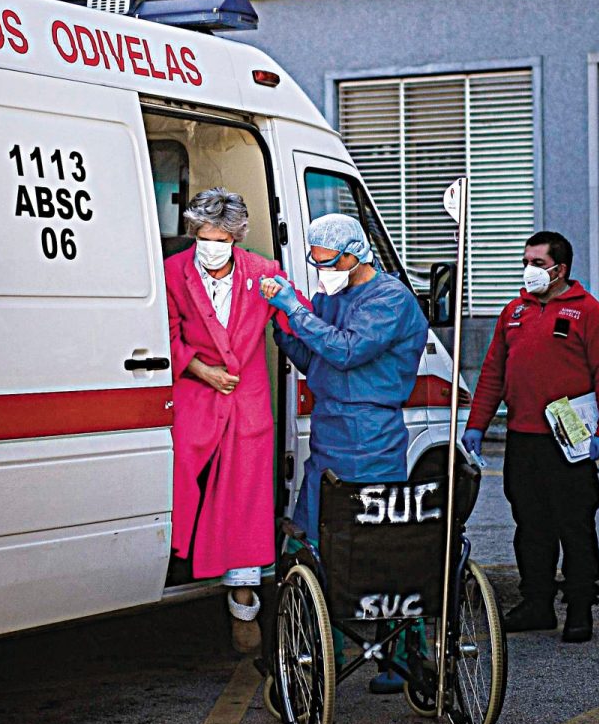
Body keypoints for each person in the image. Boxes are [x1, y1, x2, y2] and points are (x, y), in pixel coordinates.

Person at [262, 212, 428, 691]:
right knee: (312, 543)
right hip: (329, 435)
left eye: (328, 263)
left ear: (355, 255)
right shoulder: (334, 295)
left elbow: (347, 350)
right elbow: (314, 358)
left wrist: (295, 311)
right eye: (315, 264)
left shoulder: (390, 299)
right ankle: (324, 649)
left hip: (371, 436)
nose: (322, 273)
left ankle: (400, 654)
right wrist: (284, 327)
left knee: (376, 548)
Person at [461, 230, 599, 642]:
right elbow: (493, 373)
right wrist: (477, 425)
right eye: (526, 261)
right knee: (530, 524)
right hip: (524, 438)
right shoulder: (514, 311)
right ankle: (536, 602)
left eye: (537, 262)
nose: (529, 269)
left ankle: (580, 606)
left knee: (574, 523)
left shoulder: (588, 312)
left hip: (569, 442)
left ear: (560, 269)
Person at [166, 188, 289, 655]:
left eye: (220, 238)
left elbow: (296, 322)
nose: (211, 246)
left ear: (237, 238)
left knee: (244, 503)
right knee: (186, 486)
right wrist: (202, 369)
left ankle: (244, 607)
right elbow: (168, 333)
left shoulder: (264, 274)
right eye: (203, 237)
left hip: (248, 403)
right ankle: (181, 564)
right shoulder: (173, 272)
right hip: (197, 397)